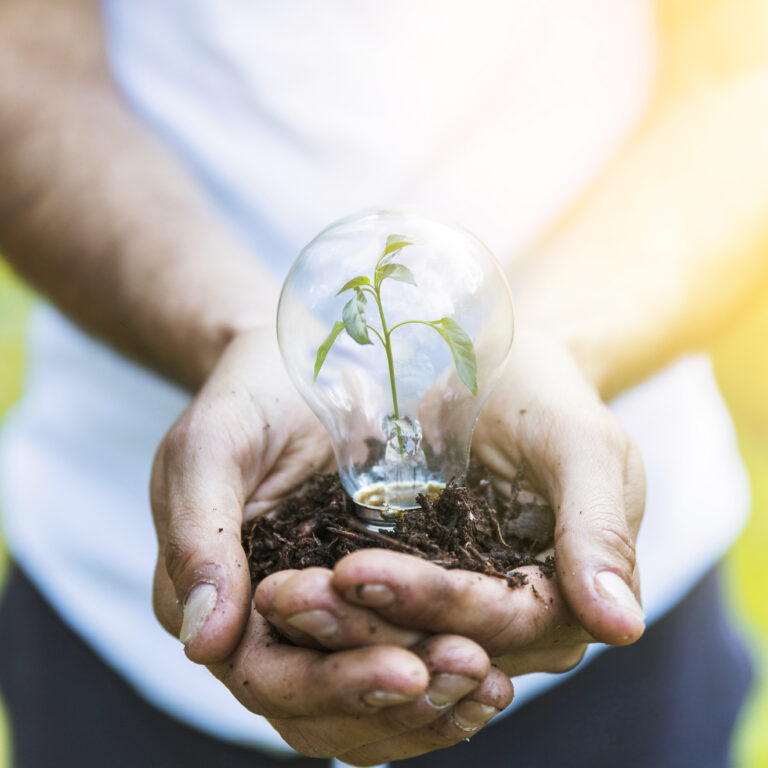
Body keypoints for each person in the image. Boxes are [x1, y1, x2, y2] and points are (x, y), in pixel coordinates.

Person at [0, 0, 764, 765]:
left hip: (611, 590)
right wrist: (231, 333)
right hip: (119, 597)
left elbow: (743, 72)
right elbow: (21, 64)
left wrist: (556, 349)